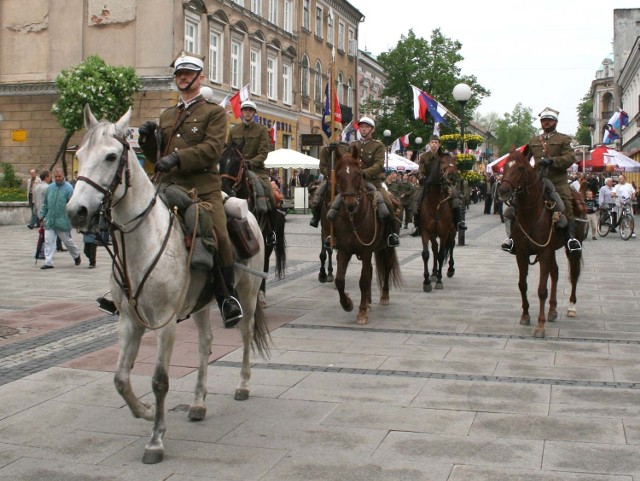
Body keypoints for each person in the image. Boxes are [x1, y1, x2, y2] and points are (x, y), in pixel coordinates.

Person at [137, 52, 242, 328]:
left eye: (188, 74)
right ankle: (127, 289)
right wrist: (146, 139)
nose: (182, 78)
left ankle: (227, 297)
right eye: (179, 74)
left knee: (220, 235)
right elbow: (156, 155)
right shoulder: (168, 114)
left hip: (202, 190)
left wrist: (178, 158)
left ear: (200, 78)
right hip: (168, 186)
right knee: (134, 224)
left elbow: (211, 150)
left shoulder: (214, 113)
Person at [501, 107, 581, 253]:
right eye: (544, 120)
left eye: (549, 120)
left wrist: (553, 162)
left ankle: (571, 239)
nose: (546, 123)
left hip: (557, 180)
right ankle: (512, 238)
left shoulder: (564, 139)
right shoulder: (534, 140)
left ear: (555, 122)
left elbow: (571, 157)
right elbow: (524, 159)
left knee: (566, 204)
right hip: (537, 180)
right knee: (513, 206)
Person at [227, 99, 278, 246]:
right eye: (245, 110)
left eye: (250, 110)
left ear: (254, 113)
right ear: (241, 112)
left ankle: (271, 232)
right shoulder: (233, 130)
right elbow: (229, 151)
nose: (248, 113)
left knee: (270, 194)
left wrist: (250, 163)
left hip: (256, 169)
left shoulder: (261, 130)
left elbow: (263, 153)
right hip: (237, 170)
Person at [351, 116, 400, 246]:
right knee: (335, 202)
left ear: (372, 130)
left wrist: (363, 173)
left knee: (387, 203)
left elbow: (378, 165)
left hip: (373, 183)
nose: (363, 129)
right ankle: (332, 234)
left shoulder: (378, 146)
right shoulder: (353, 145)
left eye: (366, 127)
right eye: (361, 127)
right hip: (355, 183)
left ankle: (392, 233)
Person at [411, 135, 467, 236]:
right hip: (427, 183)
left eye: (436, 142)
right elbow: (420, 170)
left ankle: (458, 222)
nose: (434, 144)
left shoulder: (444, 156)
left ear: (439, 144)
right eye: (432, 142)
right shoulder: (424, 156)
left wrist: (449, 178)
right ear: (429, 144)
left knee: (455, 196)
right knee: (416, 198)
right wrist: (422, 178)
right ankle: (417, 225)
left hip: (443, 183)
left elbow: (450, 168)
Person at [38, 168, 81, 269]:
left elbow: (72, 204)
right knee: (48, 241)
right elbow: (45, 203)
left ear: (63, 176)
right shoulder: (50, 188)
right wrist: (41, 216)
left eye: (59, 176)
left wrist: (72, 218)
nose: (57, 178)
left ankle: (76, 255)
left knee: (67, 241)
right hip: (50, 220)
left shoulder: (69, 188)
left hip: (63, 221)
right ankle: (48, 262)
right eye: (56, 177)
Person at [309, 125, 349, 228]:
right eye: (332, 134)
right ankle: (316, 217)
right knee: (317, 198)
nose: (334, 136)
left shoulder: (345, 148)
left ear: (340, 136)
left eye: (336, 134)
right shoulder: (325, 150)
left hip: (343, 180)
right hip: (329, 179)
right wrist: (329, 174)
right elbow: (322, 166)